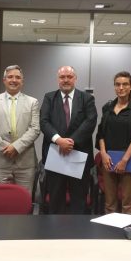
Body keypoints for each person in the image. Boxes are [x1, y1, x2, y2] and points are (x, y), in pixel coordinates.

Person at [40, 65, 97, 214]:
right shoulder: (49, 97)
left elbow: (90, 122)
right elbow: (44, 121)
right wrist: (59, 140)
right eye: (62, 77)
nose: (66, 80)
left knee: (79, 201)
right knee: (55, 199)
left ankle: (77, 229)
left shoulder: (87, 98)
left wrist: (70, 142)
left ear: (75, 79)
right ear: (57, 79)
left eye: (69, 77)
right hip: (56, 155)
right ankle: (55, 228)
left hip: (78, 155)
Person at [0, 65, 40, 193]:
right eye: (10, 77)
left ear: (22, 81)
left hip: (25, 162)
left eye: (17, 77)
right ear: (4, 80)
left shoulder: (32, 102)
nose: (14, 80)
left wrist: (16, 147)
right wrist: (5, 147)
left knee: (24, 201)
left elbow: (35, 129)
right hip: (0, 161)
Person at [96, 71, 131, 214]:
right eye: (117, 84)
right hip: (108, 161)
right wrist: (103, 154)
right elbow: (101, 133)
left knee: (127, 203)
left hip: (128, 161)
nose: (121, 87)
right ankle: (109, 229)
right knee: (109, 203)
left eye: (125, 84)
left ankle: (128, 228)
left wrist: (124, 160)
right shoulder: (107, 107)